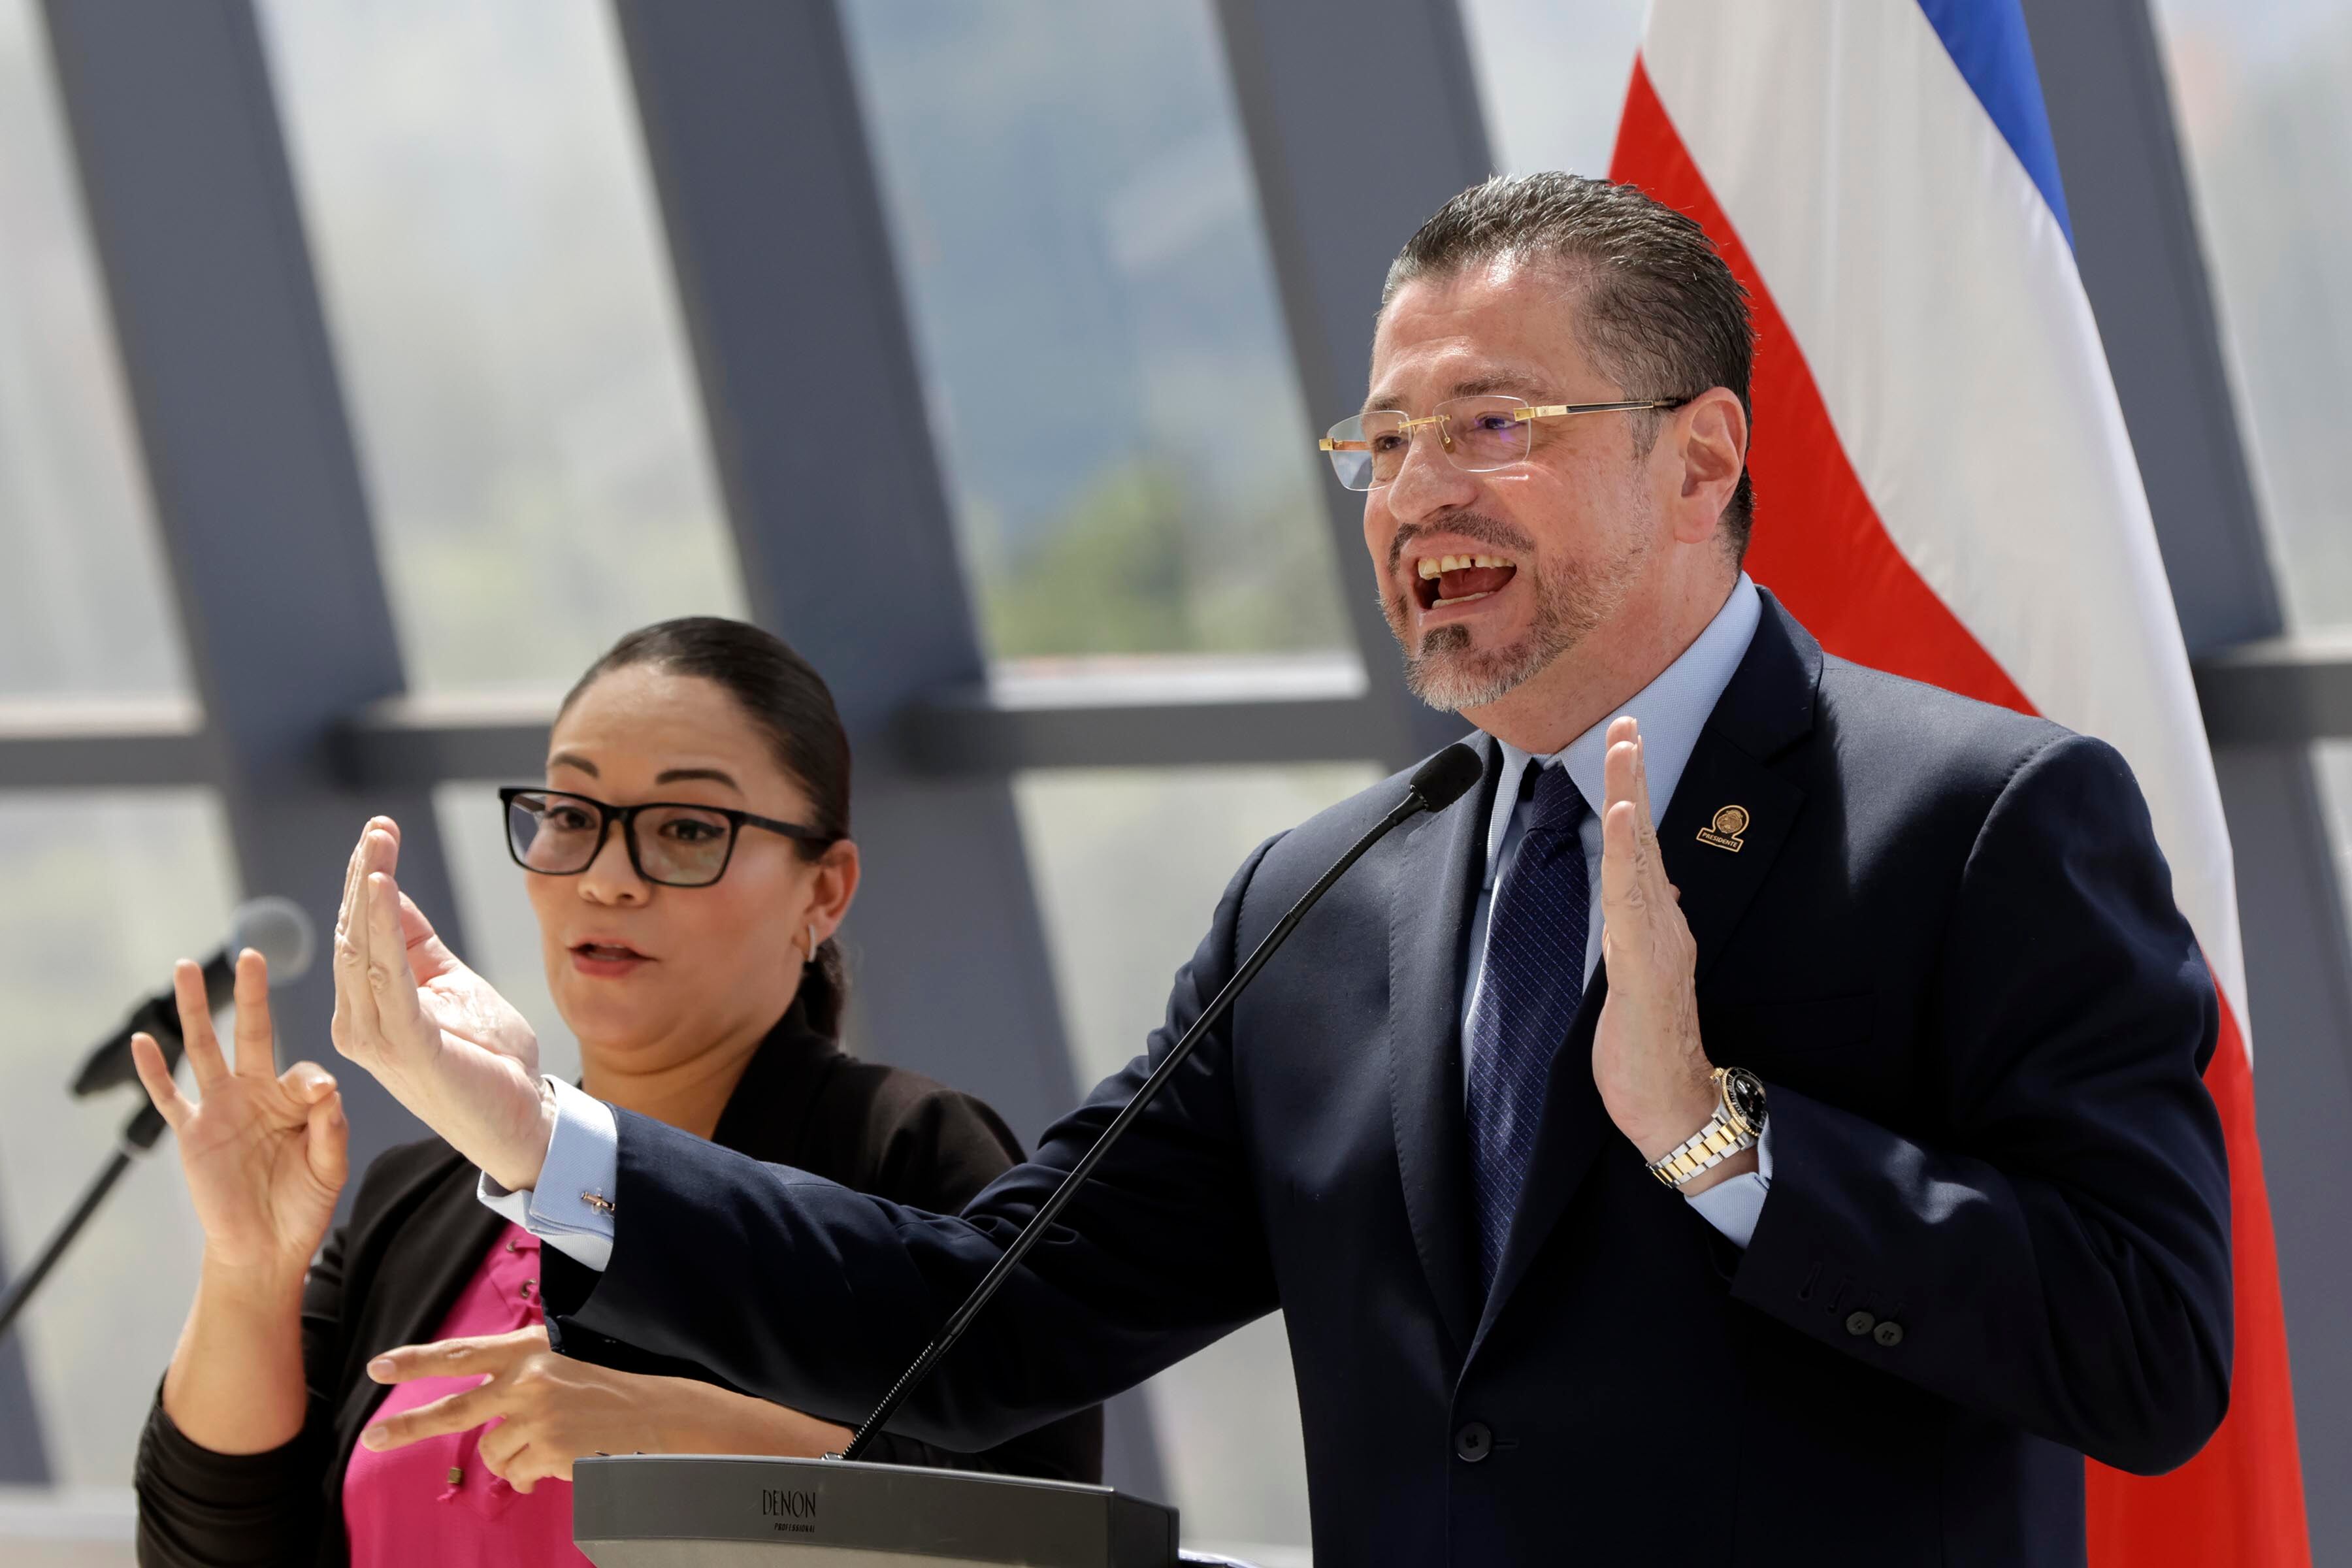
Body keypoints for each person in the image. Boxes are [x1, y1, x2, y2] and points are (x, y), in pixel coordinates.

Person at [326, 175, 2232, 1564]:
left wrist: (1725, 1143)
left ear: (1701, 456)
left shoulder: (1983, 817)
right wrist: (539, 1133)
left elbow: (2151, 1356)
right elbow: (972, 1321)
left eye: (1494, 427)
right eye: (1382, 444)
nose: (1416, 497)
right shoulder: (1329, 904)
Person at [129, 617, 1100, 1568]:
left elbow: (1038, 1531)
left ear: (825, 890)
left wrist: (670, 1426)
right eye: (573, 818)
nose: (608, 878)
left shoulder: (906, 1155)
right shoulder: (416, 1195)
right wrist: (249, 1272)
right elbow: (212, 1548)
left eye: (685, 830)